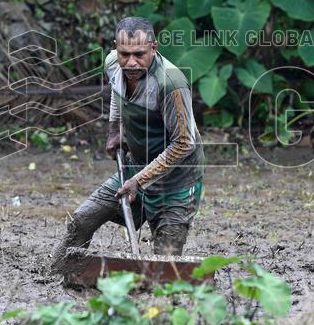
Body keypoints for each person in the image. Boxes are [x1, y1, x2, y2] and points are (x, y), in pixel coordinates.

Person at [49, 16, 205, 274]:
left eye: (139, 54)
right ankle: (57, 275)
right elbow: (117, 92)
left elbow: (184, 142)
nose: (131, 62)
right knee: (82, 220)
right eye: (125, 54)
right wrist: (114, 129)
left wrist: (140, 181)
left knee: (164, 263)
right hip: (136, 168)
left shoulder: (170, 84)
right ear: (115, 48)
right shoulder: (113, 63)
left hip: (177, 181)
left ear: (154, 49)